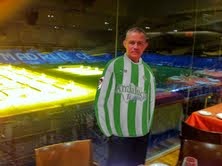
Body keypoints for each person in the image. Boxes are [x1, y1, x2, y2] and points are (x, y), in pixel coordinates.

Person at [94, 27, 155, 166]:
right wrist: (108, 131)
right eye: (132, 42)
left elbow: (151, 102)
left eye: (140, 43)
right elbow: (100, 98)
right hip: (119, 136)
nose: (135, 46)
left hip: (142, 135)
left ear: (145, 45)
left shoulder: (148, 71)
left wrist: (146, 127)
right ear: (125, 43)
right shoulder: (112, 66)